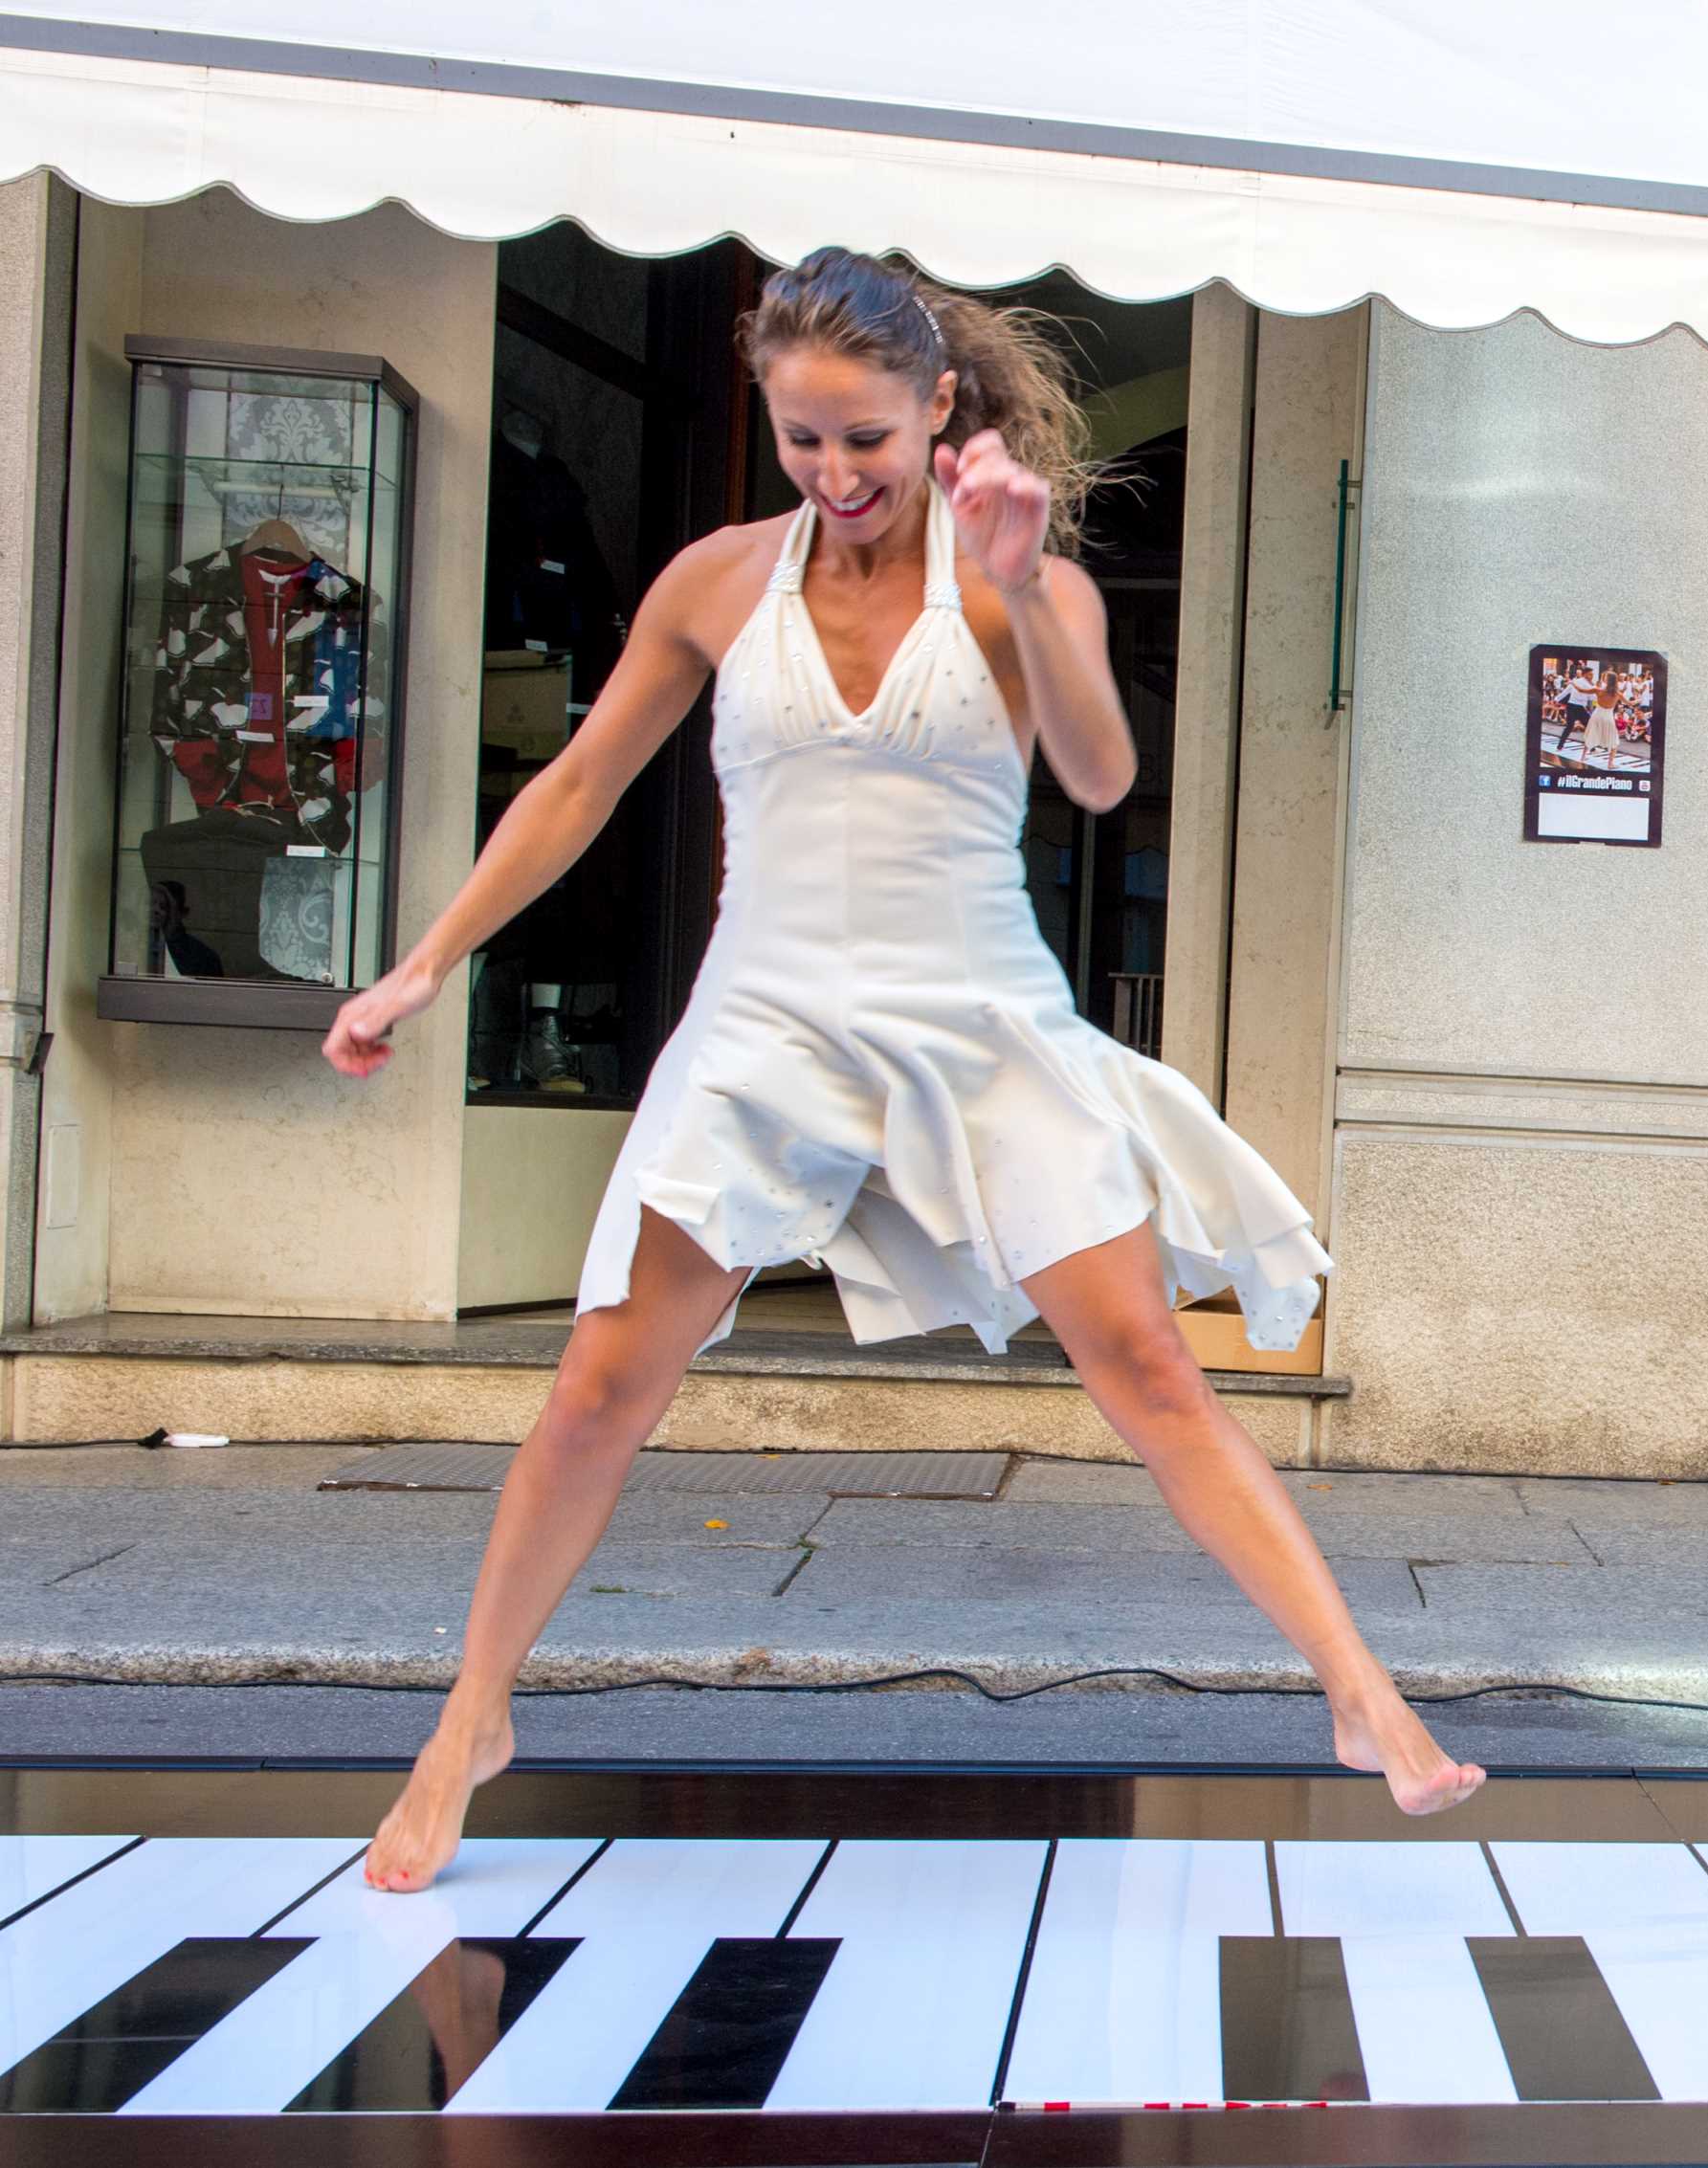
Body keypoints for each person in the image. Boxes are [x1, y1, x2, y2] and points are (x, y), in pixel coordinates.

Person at [323, 249, 1485, 1892]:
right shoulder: (716, 581)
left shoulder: (1026, 580)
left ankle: (1361, 1694)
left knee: (1147, 1361)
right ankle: (470, 1717)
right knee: (600, 1379)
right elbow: (579, 784)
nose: (837, 473)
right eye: (803, 438)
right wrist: (425, 962)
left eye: (865, 436)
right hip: (768, 1014)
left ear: (940, 408)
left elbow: (1098, 770)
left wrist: (1017, 583)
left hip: (976, 1011)